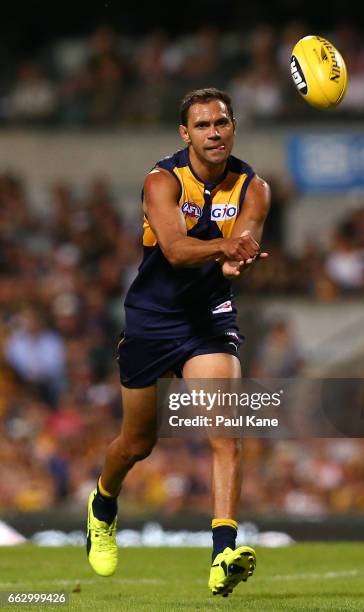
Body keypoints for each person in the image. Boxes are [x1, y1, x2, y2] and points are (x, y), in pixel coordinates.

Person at [86, 87, 271, 597]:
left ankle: (223, 553)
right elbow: (172, 248)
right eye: (204, 125)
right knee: (137, 443)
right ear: (184, 133)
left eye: (222, 123)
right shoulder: (161, 180)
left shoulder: (255, 188)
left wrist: (239, 258)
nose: (215, 132)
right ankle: (102, 504)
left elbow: (244, 242)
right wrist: (222, 247)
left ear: (233, 128)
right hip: (151, 319)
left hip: (209, 321)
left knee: (226, 431)